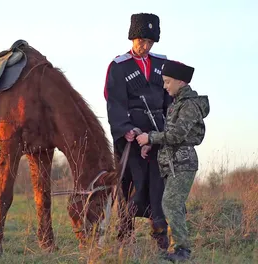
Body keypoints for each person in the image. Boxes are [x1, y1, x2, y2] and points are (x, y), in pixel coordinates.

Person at [104, 13, 173, 250]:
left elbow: (170, 98)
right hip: (129, 134)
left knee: (159, 183)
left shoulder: (163, 64)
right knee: (127, 183)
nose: (145, 46)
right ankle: (124, 232)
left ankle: (160, 230)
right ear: (133, 37)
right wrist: (126, 129)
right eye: (141, 40)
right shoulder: (118, 66)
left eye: (150, 42)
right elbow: (114, 101)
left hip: (157, 134)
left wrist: (167, 131)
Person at [136, 60, 210, 261]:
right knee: (171, 204)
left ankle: (182, 251)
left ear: (181, 82)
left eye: (168, 82)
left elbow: (176, 135)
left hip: (182, 163)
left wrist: (150, 137)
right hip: (171, 162)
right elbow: (171, 134)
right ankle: (177, 249)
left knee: (171, 203)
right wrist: (153, 144)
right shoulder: (177, 104)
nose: (165, 86)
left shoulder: (189, 106)